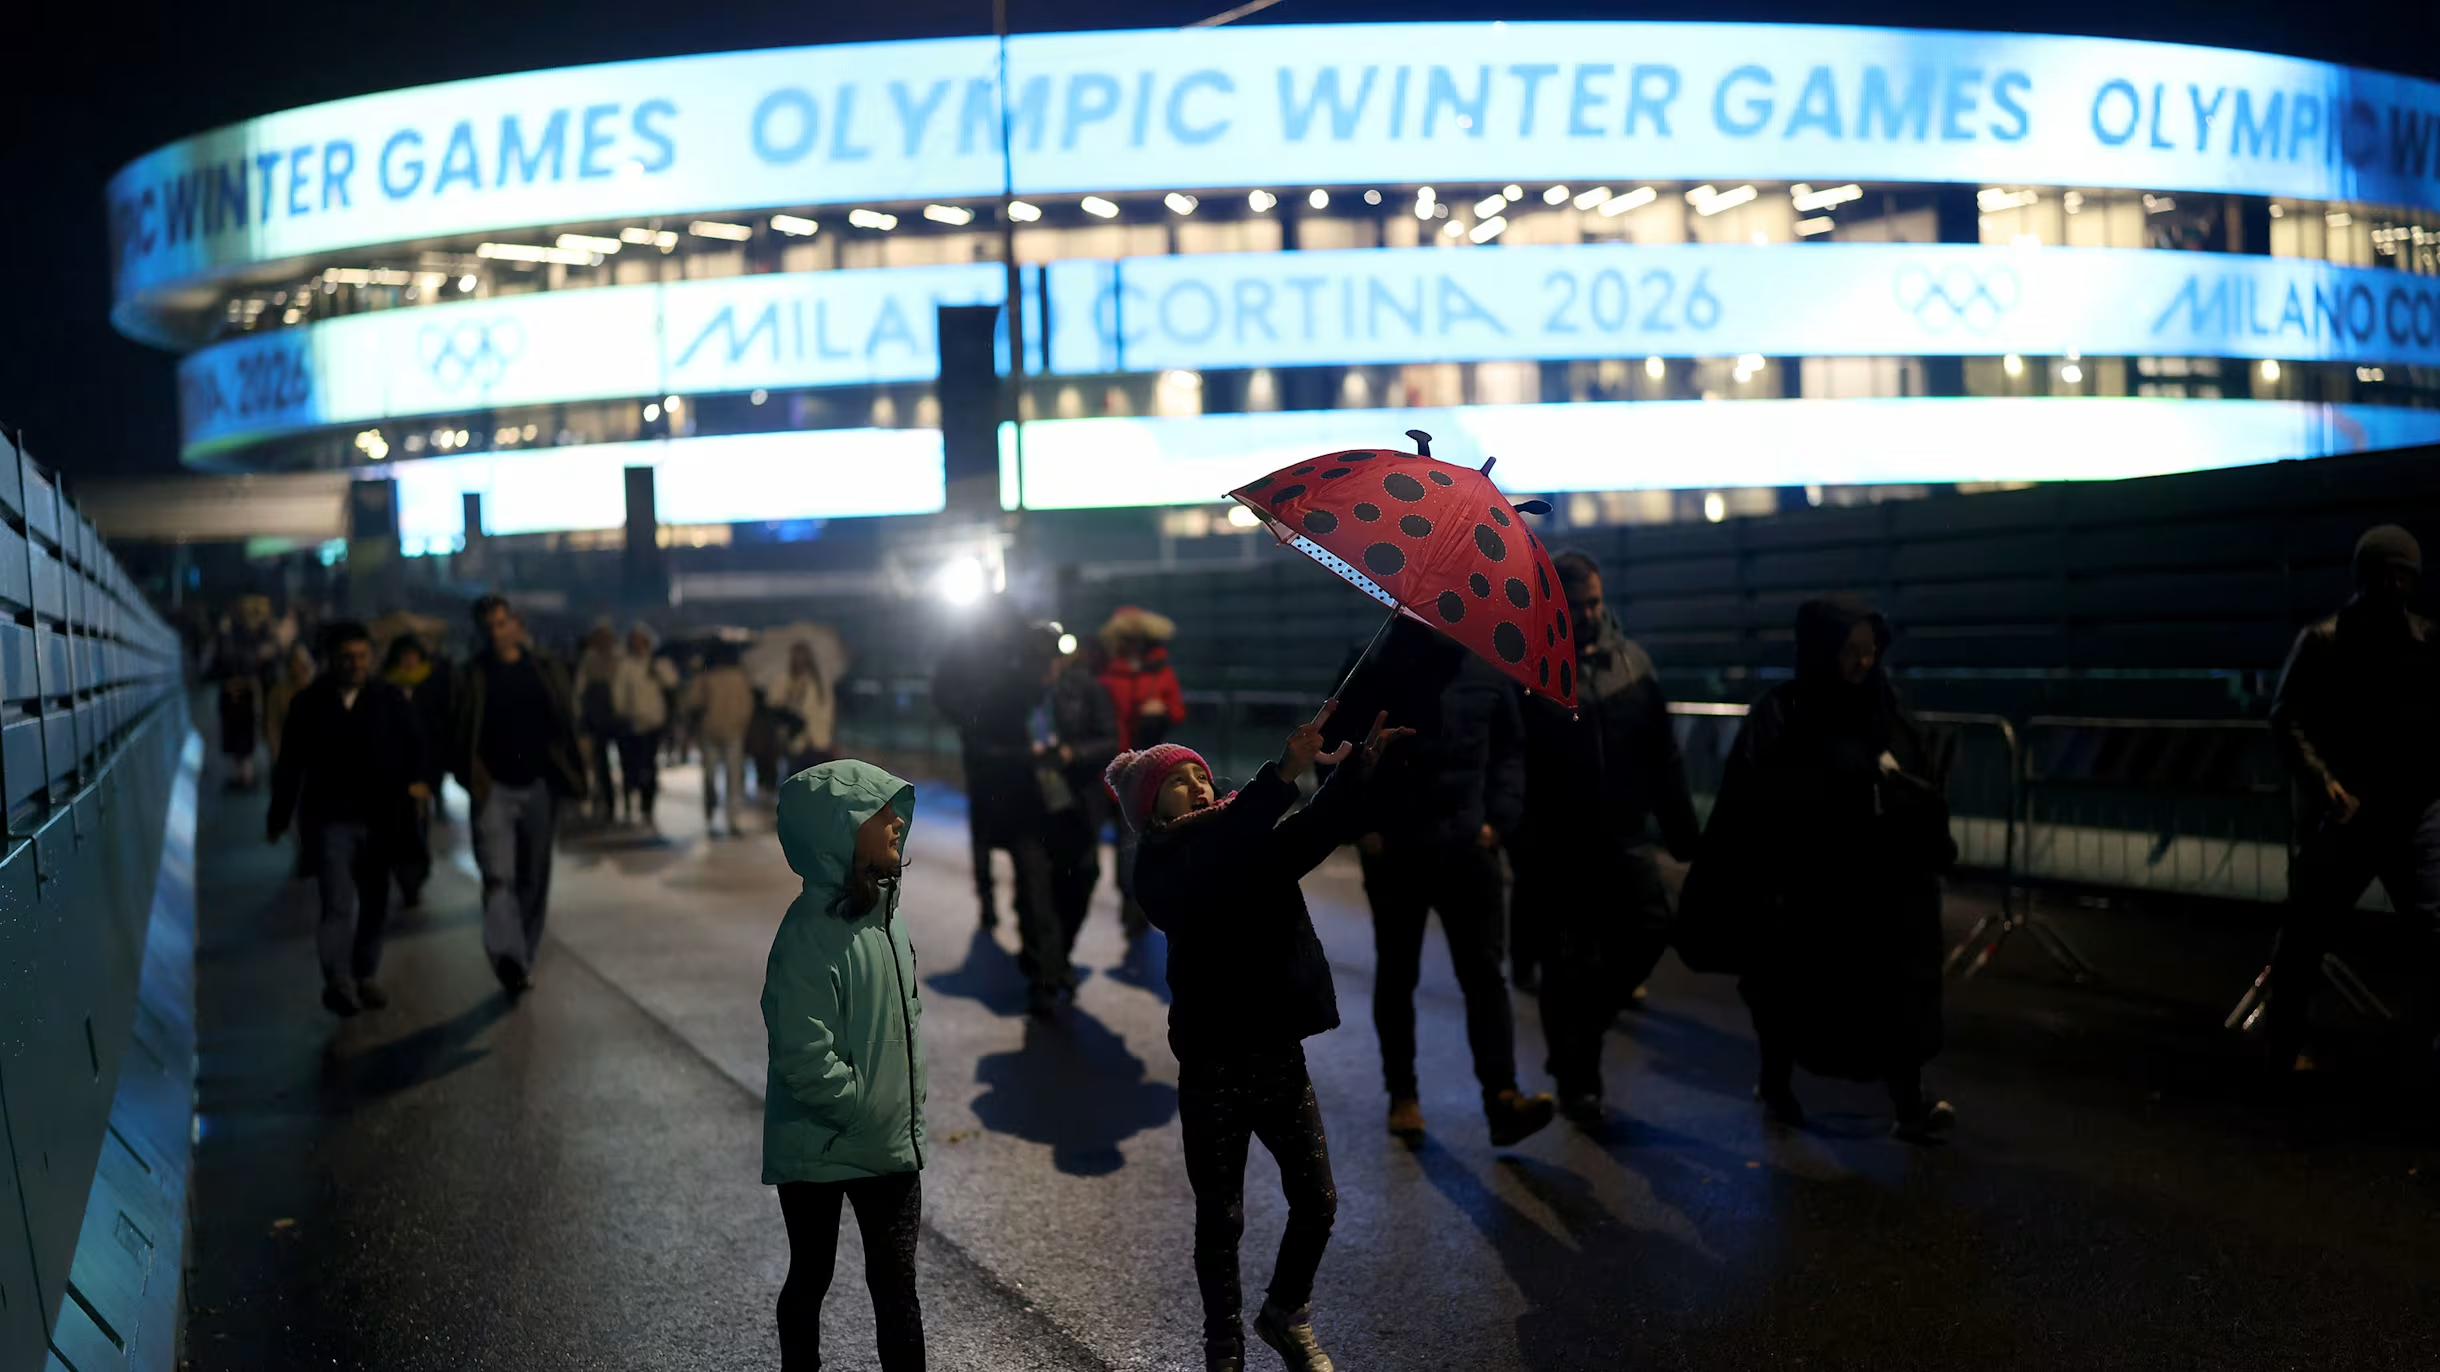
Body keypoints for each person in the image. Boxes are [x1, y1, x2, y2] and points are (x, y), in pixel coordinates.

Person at [1118, 701, 1411, 1372]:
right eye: (1179, 782)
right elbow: (1217, 859)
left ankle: (1286, 1311)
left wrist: (1358, 771)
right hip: (1213, 1065)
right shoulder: (1159, 867)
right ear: (1152, 810)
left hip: (1278, 1053)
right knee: (1220, 1221)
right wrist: (1282, 771)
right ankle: (1224, 1349)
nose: (1198, 785)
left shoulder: (1240, 836)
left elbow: (1313, 831)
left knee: (1318, 1201)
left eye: (1200, 774)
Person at [1680, 597, 1957, 1140]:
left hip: (1878, 887)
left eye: (1869, 650)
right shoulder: (1783, 714)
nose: (1862, 663)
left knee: (1895, 991)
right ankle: (1776, 1083)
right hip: (1806, 887)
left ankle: (1908, 1103)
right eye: (1849, 651)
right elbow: (1752, 799)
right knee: (1789, 991)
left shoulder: (1886, 709)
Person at [1332, 618, 1554, 1148]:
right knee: (1398, 973)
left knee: (1483, 976)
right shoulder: (1373, 661)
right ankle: (1403, 1095)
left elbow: (1510, 749)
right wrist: (1362, 825)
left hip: (1467, 847)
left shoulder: (1487, 665)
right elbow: (1339, 746)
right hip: (1396, 848)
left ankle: (1502, 1099)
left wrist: (1495, 821)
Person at [1518, 552, 1702, 1123]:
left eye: (1594, 603)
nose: (1589, 615)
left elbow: (1664, 757)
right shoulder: (1530, 672)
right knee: (1565, 963)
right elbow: (1512, 760)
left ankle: (1579, 1037)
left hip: (1622, 837)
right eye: (1576, 607)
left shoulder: (1633, 666)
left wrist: (1683, 836)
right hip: (1556, 845)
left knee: (1651, 929)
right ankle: (1580, 1080)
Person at [762, 760, 927, 1372]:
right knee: (811, 1278)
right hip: (825, 1141)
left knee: (897, 1288)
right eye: (879, 812)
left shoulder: (886, 917)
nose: (897, 822)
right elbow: (803, 1053)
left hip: (884, 1140)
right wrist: (858, 1105)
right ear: (838, 831)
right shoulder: (809, 934)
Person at [2264, 525, 2440, 1076]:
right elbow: (2286, 716)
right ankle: (2281, 1047)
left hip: (2411, 812)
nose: (2397, 585)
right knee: (2305, 934)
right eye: (2390, 574)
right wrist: (2326, 786)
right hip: (2349, 813)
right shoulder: (2324, 640)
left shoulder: (2428, 640)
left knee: (2433, 932)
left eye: (2404, 575)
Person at [266, 621, 431, 1016]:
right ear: (331, 660)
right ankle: (338, 979)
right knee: (337, 900)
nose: (356, 664)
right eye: (347, 658)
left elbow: (418, 744)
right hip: (331, 821)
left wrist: (422, 781)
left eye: (361, 656)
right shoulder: (308, 704)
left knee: (376, 901)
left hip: (382, 819)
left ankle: (365, 973)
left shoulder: (390, 700)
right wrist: (279, 815)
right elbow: (290, 766)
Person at [452, 594, 587, 993]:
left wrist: (571, 768)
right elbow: (458, 729)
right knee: (498, 877)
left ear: (515, 624)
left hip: (539, 785)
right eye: (488, 626)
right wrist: (474, 776)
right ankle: (506, 952)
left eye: (501, 623)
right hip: (493, 787)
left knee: (533, 876)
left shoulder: (542, 667)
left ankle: (521, 957)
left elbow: (564, 720)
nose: (496, 633)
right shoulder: (472, 674)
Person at [1099, 605, 1188, 940]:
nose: (1133, 644)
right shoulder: (1108, 673)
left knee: (1140, 839)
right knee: (1125, 840)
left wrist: (1162, 710)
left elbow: (1177, 710)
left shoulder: (1159, 671)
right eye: (1127, 638)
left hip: (1150, 772)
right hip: (1110, 770)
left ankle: (1138, 903)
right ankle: (1129, 895)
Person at [1045, 639, 1122, 953]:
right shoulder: (1033, 694)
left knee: (1084, 870)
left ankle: (1062, 947)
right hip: (1046, 793)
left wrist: (1073, 753)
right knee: (1049, 874)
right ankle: (1051, 957)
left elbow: (1109, 740)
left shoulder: (1088, 690)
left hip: (1083, 795)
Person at [383, 634, 455, 907]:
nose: (409, 661)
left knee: (418, 825)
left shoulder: (432, 683)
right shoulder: (387, 686)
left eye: (413, 654)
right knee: (399, 828)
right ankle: (406, 877)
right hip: (394, 772)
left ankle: (416, 874)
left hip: (423, 769)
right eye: (404, 655)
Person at [687, 645, 758, 838]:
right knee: (733, 777)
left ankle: (712, 816)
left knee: (711, 776)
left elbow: (692, 702)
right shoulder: (740, 678)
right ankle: (731, 820)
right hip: (732, 732)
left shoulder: (706, 678)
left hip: (711, 731)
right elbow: (748, 705)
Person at [612, 623, 677, 828]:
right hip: (633, 723)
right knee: (631, 764)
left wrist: (659, 670)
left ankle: (647, 805)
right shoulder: (626, 666)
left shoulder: (658, 663)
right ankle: (632, 799)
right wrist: (622, 713)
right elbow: (619, 692)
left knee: (649, 765)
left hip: (654, 722)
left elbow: (671, 683)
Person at [575, 623, 624, 824]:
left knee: (624, 759)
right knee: (601, 762)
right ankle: (609, 803)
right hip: (598, 717)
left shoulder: (620, 657)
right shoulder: (589, 659)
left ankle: (626, 799)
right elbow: (580, 687)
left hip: (619, 714)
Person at [772, 641, 839, 778]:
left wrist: (826, 734)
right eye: (796, 657)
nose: (799, 661)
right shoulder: (784, 679)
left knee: (815, 781)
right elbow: (775, 704)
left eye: (802, 657)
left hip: (818, 740)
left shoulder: (819, 682)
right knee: (795, 779)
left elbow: (828, 711)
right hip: (796, 739)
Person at [264, 642, 317, 764]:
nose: (298, 666)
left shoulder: (319, 692)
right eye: (295, 661)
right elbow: (271, 726)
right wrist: (277, 753)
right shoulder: (278, 693)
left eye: (301, 662)